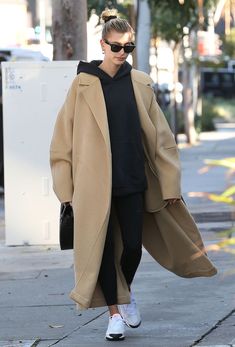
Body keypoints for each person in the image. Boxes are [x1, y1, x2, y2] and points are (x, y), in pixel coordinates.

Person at [50, 9, 217, 342]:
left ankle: (124, 293)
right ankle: (114, 314)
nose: (122, 54)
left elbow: (162, 139)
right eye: (116, 47)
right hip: (92, 186)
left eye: (127, 48)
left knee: (132, 248)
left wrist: (170, 183)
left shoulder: (140, 84)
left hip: (132, 179)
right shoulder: (82, 84)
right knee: (103, 251)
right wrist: (65, 189)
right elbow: (62, 141)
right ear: (103, 45)